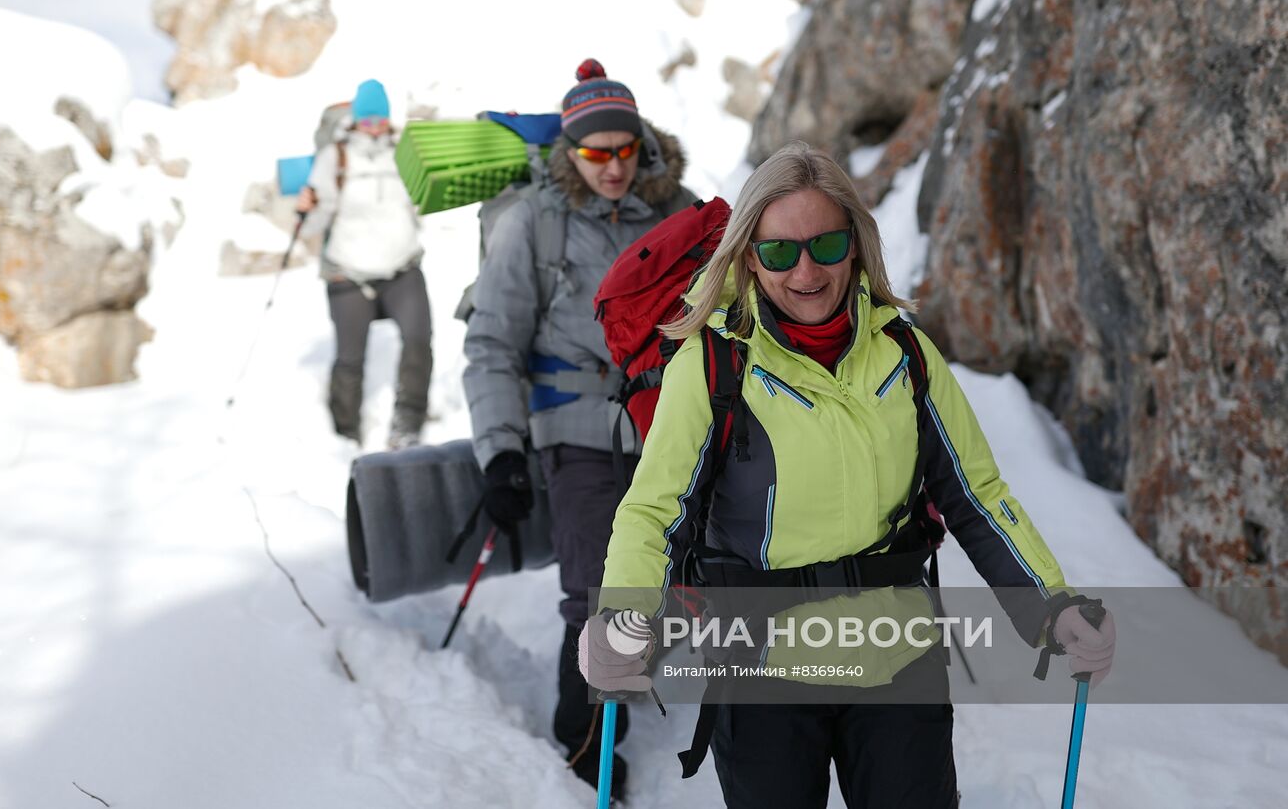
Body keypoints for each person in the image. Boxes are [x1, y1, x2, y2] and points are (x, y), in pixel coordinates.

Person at [579, 145, 1117, 808]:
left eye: (825, 245)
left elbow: (976, 496)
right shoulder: (715, 364)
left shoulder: (906, 354)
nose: (805, 270)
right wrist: (624, 615)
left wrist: (1052, 606)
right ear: (749, 256)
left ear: (855, 247)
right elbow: (657, 509)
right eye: (779, 252)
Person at [463, 59, 697, 798]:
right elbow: (493, 342)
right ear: (570, 152)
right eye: (596, 154)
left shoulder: (679, 214)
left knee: (701, 579)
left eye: (625, 149)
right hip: (578, 432)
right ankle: (589, 749)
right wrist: (501, 451)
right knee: (601, 597)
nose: (613, 166)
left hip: (672, 423)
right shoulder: (536, 221)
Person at [296, 79, 432, 451]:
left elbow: (423, 200)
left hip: (402, 267)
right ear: (356, 119)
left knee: (419, 341)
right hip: (349, 272)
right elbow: (314, 223)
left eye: (381, 118)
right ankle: (345, 434)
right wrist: (307, 207)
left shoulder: (406, 152)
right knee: (349, 358)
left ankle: (408, 423)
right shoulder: (335, 157)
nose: (375, 126)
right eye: (368, 118)